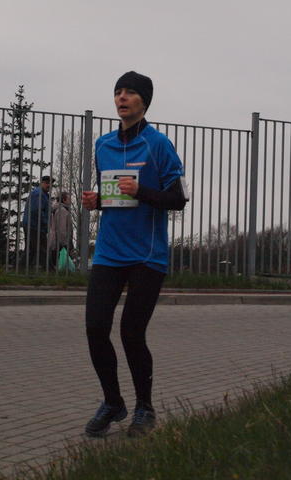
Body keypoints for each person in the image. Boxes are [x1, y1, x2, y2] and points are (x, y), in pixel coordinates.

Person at [81, 71, 187, 437]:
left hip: (147, 255)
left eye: (129, 92)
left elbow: (178, 199)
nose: (121, 97)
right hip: (109, 252)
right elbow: (114, 196)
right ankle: (113, 402)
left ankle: (145, 408)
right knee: (95, 328)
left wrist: (141, 191)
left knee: (131, 332)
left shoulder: (159, 144)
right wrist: (97, 201)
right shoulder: (103, 145)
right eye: (117, 92)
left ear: (144, 101)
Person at [21, 175, 51, 268]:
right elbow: (37, 211)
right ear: (41, 183)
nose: (49, 185)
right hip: (34, 225)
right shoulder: (39, 194)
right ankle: (49, 269)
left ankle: (21, 268)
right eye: (47, 183)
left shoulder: (42, 194)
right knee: (41, 248)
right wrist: (45, 223)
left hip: (34, 225)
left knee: (32, 249)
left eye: (50, 183)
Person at [47, 191, 73, 270]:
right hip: (61, 243)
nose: (70, 201)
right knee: (61, 265)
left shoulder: (58, 209)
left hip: (57, 242)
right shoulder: (62, 210)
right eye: (69, 199)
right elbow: (61, 229)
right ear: (64, 200)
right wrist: (64, 243)